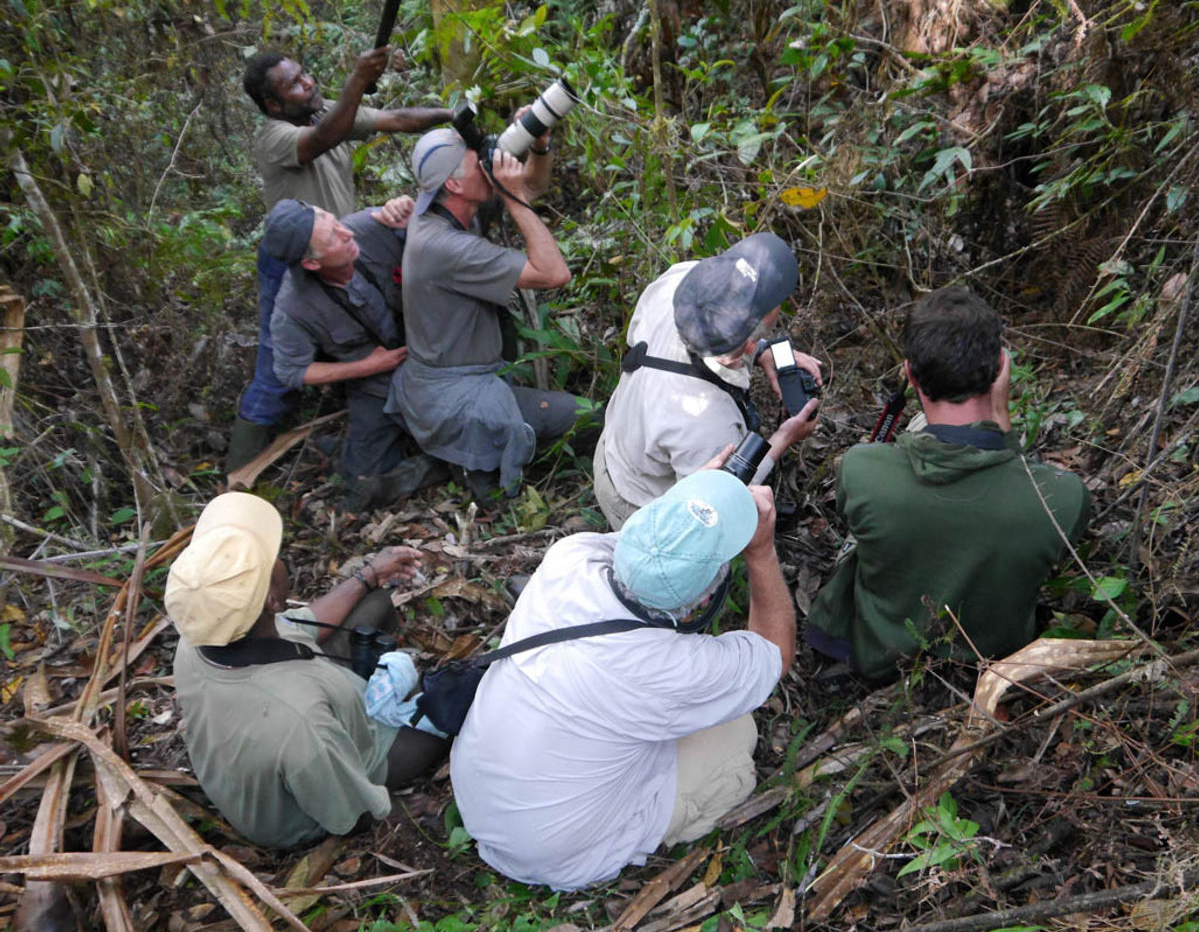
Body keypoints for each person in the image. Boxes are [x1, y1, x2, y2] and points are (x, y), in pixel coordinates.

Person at [450, 466, 794, 890]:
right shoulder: (670, 670)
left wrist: (684, 508)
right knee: (736, 733)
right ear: (701, 602)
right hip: (551, 854)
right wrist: (761, 554)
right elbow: (774, 654)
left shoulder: (569, 557)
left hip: (479, 795)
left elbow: (650, 548)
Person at [805, 285, 1091, 682]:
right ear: (1000, 369)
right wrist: (1002, 421)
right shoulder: (1063, 498)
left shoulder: (862, 469)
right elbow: (1013, 482)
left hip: (882, 662)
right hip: (990, 674)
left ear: (909, 374)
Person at [164, 492, 448, 848]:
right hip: (296, 812)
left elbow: (304, 623)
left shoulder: (205, 632)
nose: (278, 556)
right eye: (270, 560)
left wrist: (369, 575)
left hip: (282, 741)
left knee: (373, 603)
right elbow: (345, 811)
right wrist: (393, 812)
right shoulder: (299, 719)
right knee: (448, 702)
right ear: (272, 600)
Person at [230, 47, 454, 469]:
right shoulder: (275, 136)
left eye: (305, 75)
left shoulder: (327, 111)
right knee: (278, 371)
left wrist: (452, 114)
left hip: (337, 248)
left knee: (369, 331)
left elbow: (397, 120)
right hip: (294, 260)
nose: (309, 83)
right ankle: (239, 473)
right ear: (274, 105)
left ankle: (366, 432)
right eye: (294, 85)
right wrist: (357, 80)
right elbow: (323, 139)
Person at [387, 124, 591, 498]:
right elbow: (554, 273)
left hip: (457, 378)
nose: (488, 166)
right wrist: (511, 195)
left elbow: (531, 186)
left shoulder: (447, 210)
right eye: (477, 164)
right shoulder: (442, 245)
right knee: (591, 417)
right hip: (458, 394)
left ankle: (466, 458)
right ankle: (471, 461)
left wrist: (539, 146)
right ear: (454, 185)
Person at [593, 232, 823, 529]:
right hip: (637, 502)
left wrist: (763, 350)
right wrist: (785, 437)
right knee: (713, 558)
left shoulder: (680, 279)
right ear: (745, 348)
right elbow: (715, 499)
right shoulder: (707, 421)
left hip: (616, 446)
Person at [261, 195, 443, 511]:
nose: (347, 234)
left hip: (433, 349)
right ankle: (409, 461)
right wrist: (366, 367)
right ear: (312, 263)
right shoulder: (293, 308)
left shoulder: (366, 226)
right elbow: (292, 371)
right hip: (376, 382)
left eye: (334, 221)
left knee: (469, 426)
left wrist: (408, 215)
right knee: (361, 479)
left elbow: (444, 231)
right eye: (333, 237)